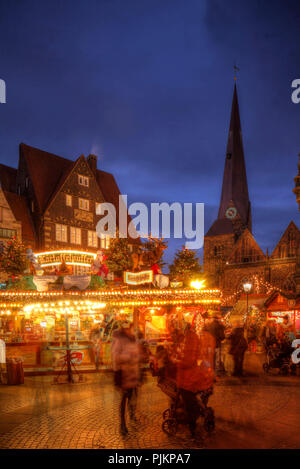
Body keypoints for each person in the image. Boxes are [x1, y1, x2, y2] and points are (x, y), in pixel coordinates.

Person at [176, 324, 214, 438]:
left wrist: (176, 362)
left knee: (191, 406)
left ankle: (193, 428)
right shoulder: (204, 340)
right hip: (195, 378)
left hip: (188, 381)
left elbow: (188, 361)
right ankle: (196, 419)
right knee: (194, 403)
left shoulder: (191, 341)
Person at [111, 321, 140, 435]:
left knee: (132, 396)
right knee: (124, 398)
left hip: (132, 373)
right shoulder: (119, 341)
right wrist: (128, 357)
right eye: (129, 329)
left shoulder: (133, 339)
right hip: (123, 374)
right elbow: (116, 357)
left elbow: (136, 354)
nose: (131, 331)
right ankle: (122, 423)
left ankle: (132, 414)